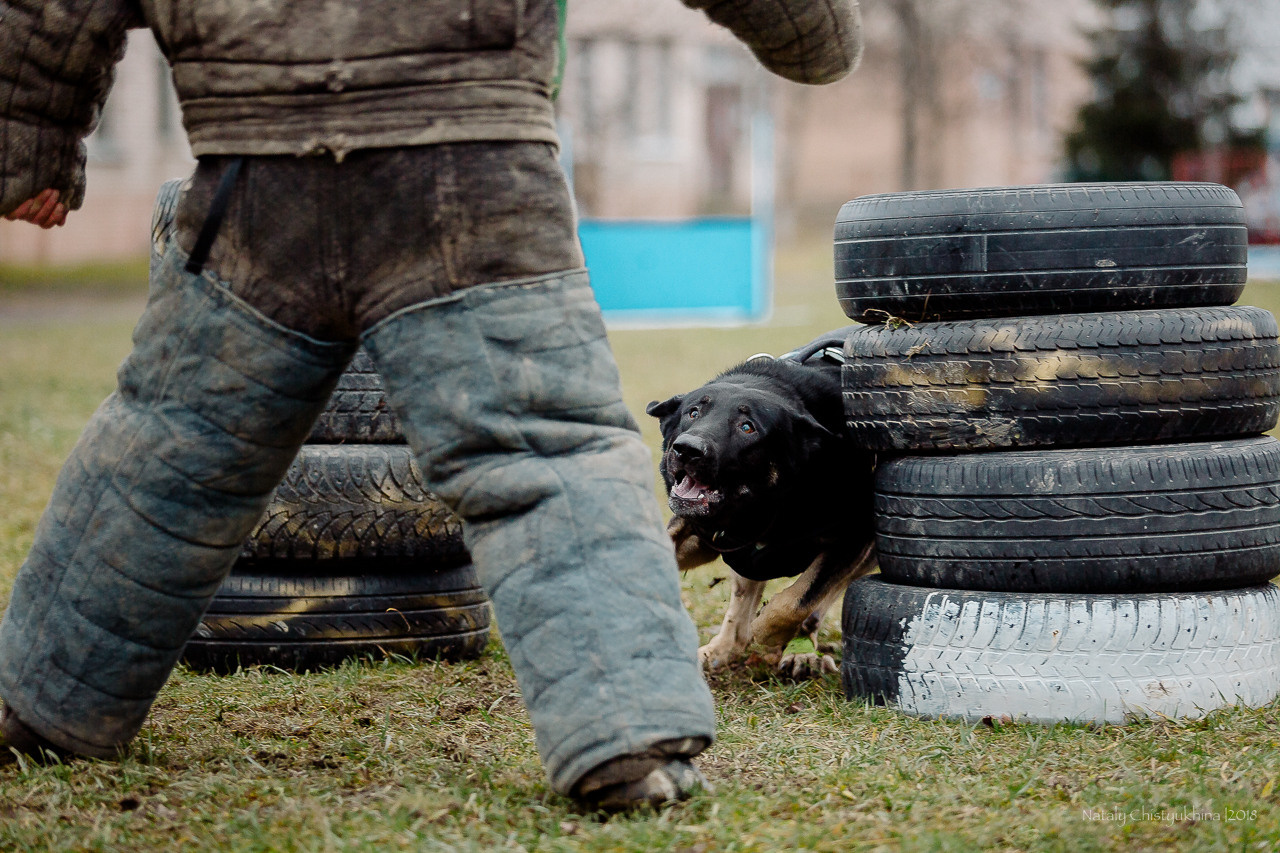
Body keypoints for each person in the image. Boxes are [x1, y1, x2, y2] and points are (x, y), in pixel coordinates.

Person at [0, 0, 862, 810]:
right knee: (547, 457)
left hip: (254, 176)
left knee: (171, 447)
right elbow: (811, 38)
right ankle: (627, 739)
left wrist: (28, 140)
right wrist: (816, 32)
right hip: (477, 172)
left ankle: (39, 701)